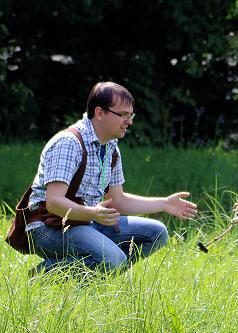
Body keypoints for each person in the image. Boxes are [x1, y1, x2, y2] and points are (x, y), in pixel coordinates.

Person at [26, 81, 198, 275]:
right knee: (113, 259)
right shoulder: (69, 143)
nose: (130, 121)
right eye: (123, 115)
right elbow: (54, 202)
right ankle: (40, 277)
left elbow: (118, 201)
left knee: (157, 233)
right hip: (48, 228)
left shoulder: (110, 147)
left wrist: (165, 204)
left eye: (131, 115)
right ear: (100, 113)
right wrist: (92, 213)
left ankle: (94, 278)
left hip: (86, 222)